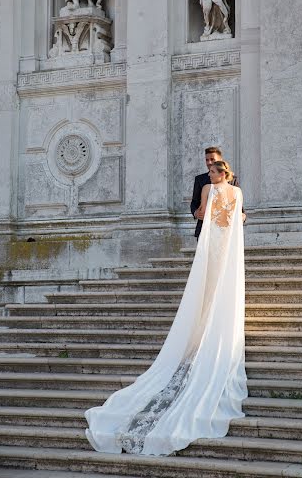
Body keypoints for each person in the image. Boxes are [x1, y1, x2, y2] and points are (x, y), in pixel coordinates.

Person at [85, 160, 247, 456]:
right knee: (220, 289)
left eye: (212, 172)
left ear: (219, 174)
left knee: (205, 289)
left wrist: (206, 208)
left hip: (211, 246)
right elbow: (239, 220)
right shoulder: (237, 194)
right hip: (227, 247)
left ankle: (201, 329)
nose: (208, 176)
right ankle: (212, 327)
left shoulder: (209, 190)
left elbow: (201, 215)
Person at [191, 146, 245, 238]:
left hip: (227, 230)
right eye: (207, 160)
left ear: (220, 160)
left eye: (212, 159)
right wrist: (196, 213)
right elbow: (194, 202)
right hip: (205, 229)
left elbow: (238, 208)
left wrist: (242, 216)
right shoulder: (199, 180)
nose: (209, 162)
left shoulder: (233, 180)